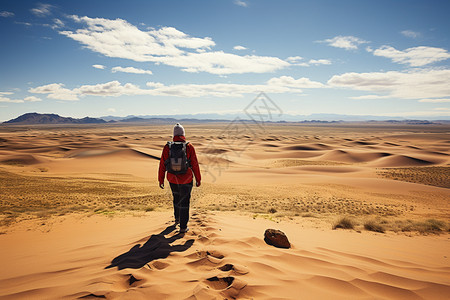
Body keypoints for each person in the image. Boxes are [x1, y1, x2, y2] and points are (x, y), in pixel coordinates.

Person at [158, 123, 201, 233]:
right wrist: (198, 179)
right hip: (186, 179)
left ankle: (177, 218)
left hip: (172, 178)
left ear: (174, 135)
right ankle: (183, 227)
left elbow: (162, 164)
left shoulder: (168, 147)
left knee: (176, 198)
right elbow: (195, 164)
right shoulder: (189, 147)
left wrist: (161, 179)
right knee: (185, 201)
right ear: (183, 134)